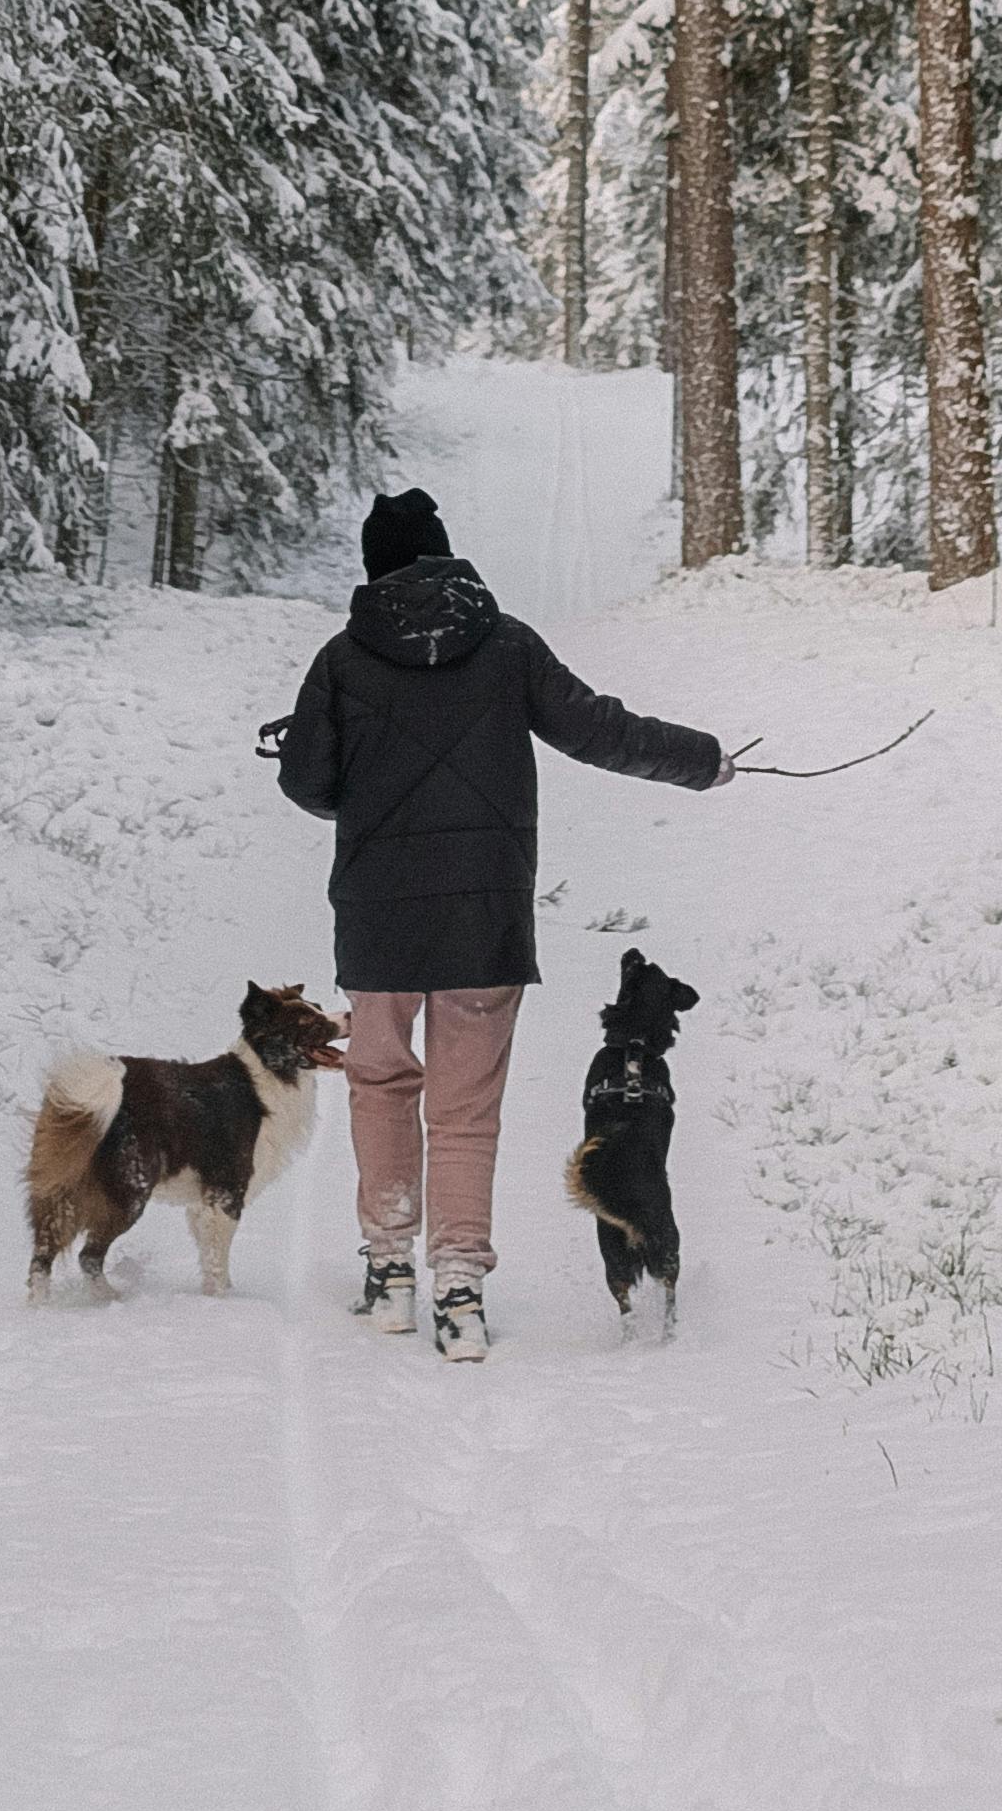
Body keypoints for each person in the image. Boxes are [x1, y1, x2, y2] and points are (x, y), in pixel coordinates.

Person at [272, 484, 727, 1361]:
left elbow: (306, 783)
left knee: (380, 1086)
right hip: (485, 916)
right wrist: (703, 761)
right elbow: (600, 730)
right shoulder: (507, 644)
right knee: (466, 1109)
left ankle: (390, 1270)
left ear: (375, 570)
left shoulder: (343, 658)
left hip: (376, 917)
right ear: (446, 555)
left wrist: (362, 787)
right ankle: (460, 1288)